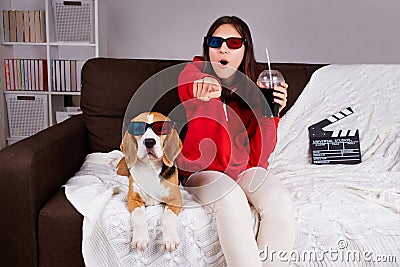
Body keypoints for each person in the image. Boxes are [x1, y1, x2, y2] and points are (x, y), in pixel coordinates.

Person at [176, 16, 295, 267]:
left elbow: (259, 159)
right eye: (216, 41)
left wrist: (270, 114)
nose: (223, 48)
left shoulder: (255, 90)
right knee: (231, 198)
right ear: (207, 47)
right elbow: (191, 85)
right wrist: (207, 87)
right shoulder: (194, 72)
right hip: (203, 171)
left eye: (232, 42)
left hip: (242, 169)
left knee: (280, 201)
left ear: (245, 49)